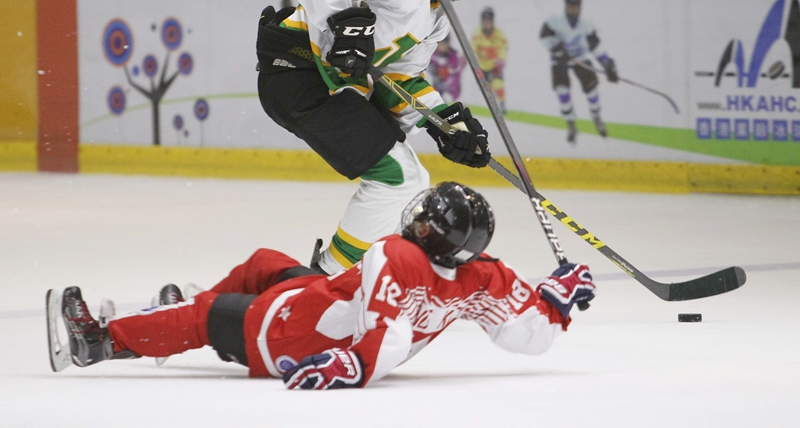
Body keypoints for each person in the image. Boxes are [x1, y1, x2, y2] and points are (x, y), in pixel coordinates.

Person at [48, 182, 597, 389]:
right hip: (326, 299)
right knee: (266, 260)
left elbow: (385, 337)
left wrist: (353, 367)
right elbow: (524, 333)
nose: (418, 221)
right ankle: (177, 321)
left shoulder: (398, 255)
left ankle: (98, 342)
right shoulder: (480, 274)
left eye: (428, 221)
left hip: (299, 334)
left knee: (208, 315)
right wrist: (555, 301)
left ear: (438, 239)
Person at [256, 0, 494, 275]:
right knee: (400, 179)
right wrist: (339, 23)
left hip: (331, 85)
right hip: (299, 72)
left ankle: (334, 279)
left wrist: (444, 122)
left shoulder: (435, 12)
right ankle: (321, 282)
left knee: (408, 183)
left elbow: (398, 77)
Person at [539, 0, 618, 143]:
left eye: (576, 4)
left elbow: (595, 45)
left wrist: (607, 64)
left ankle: (596, 117)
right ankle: (570, 123)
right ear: (566, 3)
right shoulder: (555, 20)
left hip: (580, 58)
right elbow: (544, 36)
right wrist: (557, 50)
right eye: (571, 4)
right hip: (560, 60)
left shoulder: (586, 23)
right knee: (563, 91)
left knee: (592, 90)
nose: (574, 7)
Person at [471, 7, 509, 114]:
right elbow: (472, 49)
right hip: (482, 67)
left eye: (489, 22)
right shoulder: (477, 34)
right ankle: (493, 106)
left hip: (495, 66)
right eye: (485, 22)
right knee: (487, 89)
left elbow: (503, 49)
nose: (487, 25)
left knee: (498, 84)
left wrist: (501, 62)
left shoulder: (499, 34)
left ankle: (502, 104)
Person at [427, 34, 466, 102]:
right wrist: (433, 71)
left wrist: (447, 82)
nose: (441, 46)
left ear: (448, 44)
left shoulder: (454, 57)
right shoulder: (433, 54)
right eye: (440, 44)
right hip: (437, 86)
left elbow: (456, 75)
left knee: (457, 103)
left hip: (453, 88)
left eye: (444, 44)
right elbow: (428, 67)